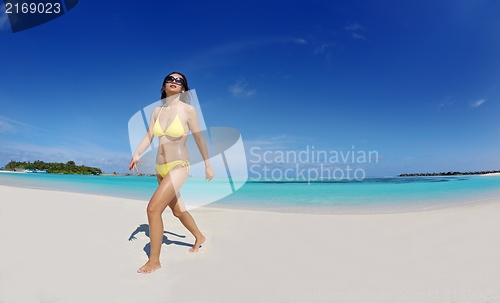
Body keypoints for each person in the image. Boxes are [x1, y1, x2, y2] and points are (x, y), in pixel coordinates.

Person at [128, 72, 214, 274]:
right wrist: (137, 153)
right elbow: (149, 135)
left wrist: (208, 165)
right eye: (170, 79)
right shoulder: (157, 111)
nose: (174, 82)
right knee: (177, 210)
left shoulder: (188, 110)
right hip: (160, 168)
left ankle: (154, 260)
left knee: (153, 209)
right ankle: (199, 237)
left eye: (179, 81)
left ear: (184, 89)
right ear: (164, 85)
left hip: (179, 165)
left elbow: (200, 139)